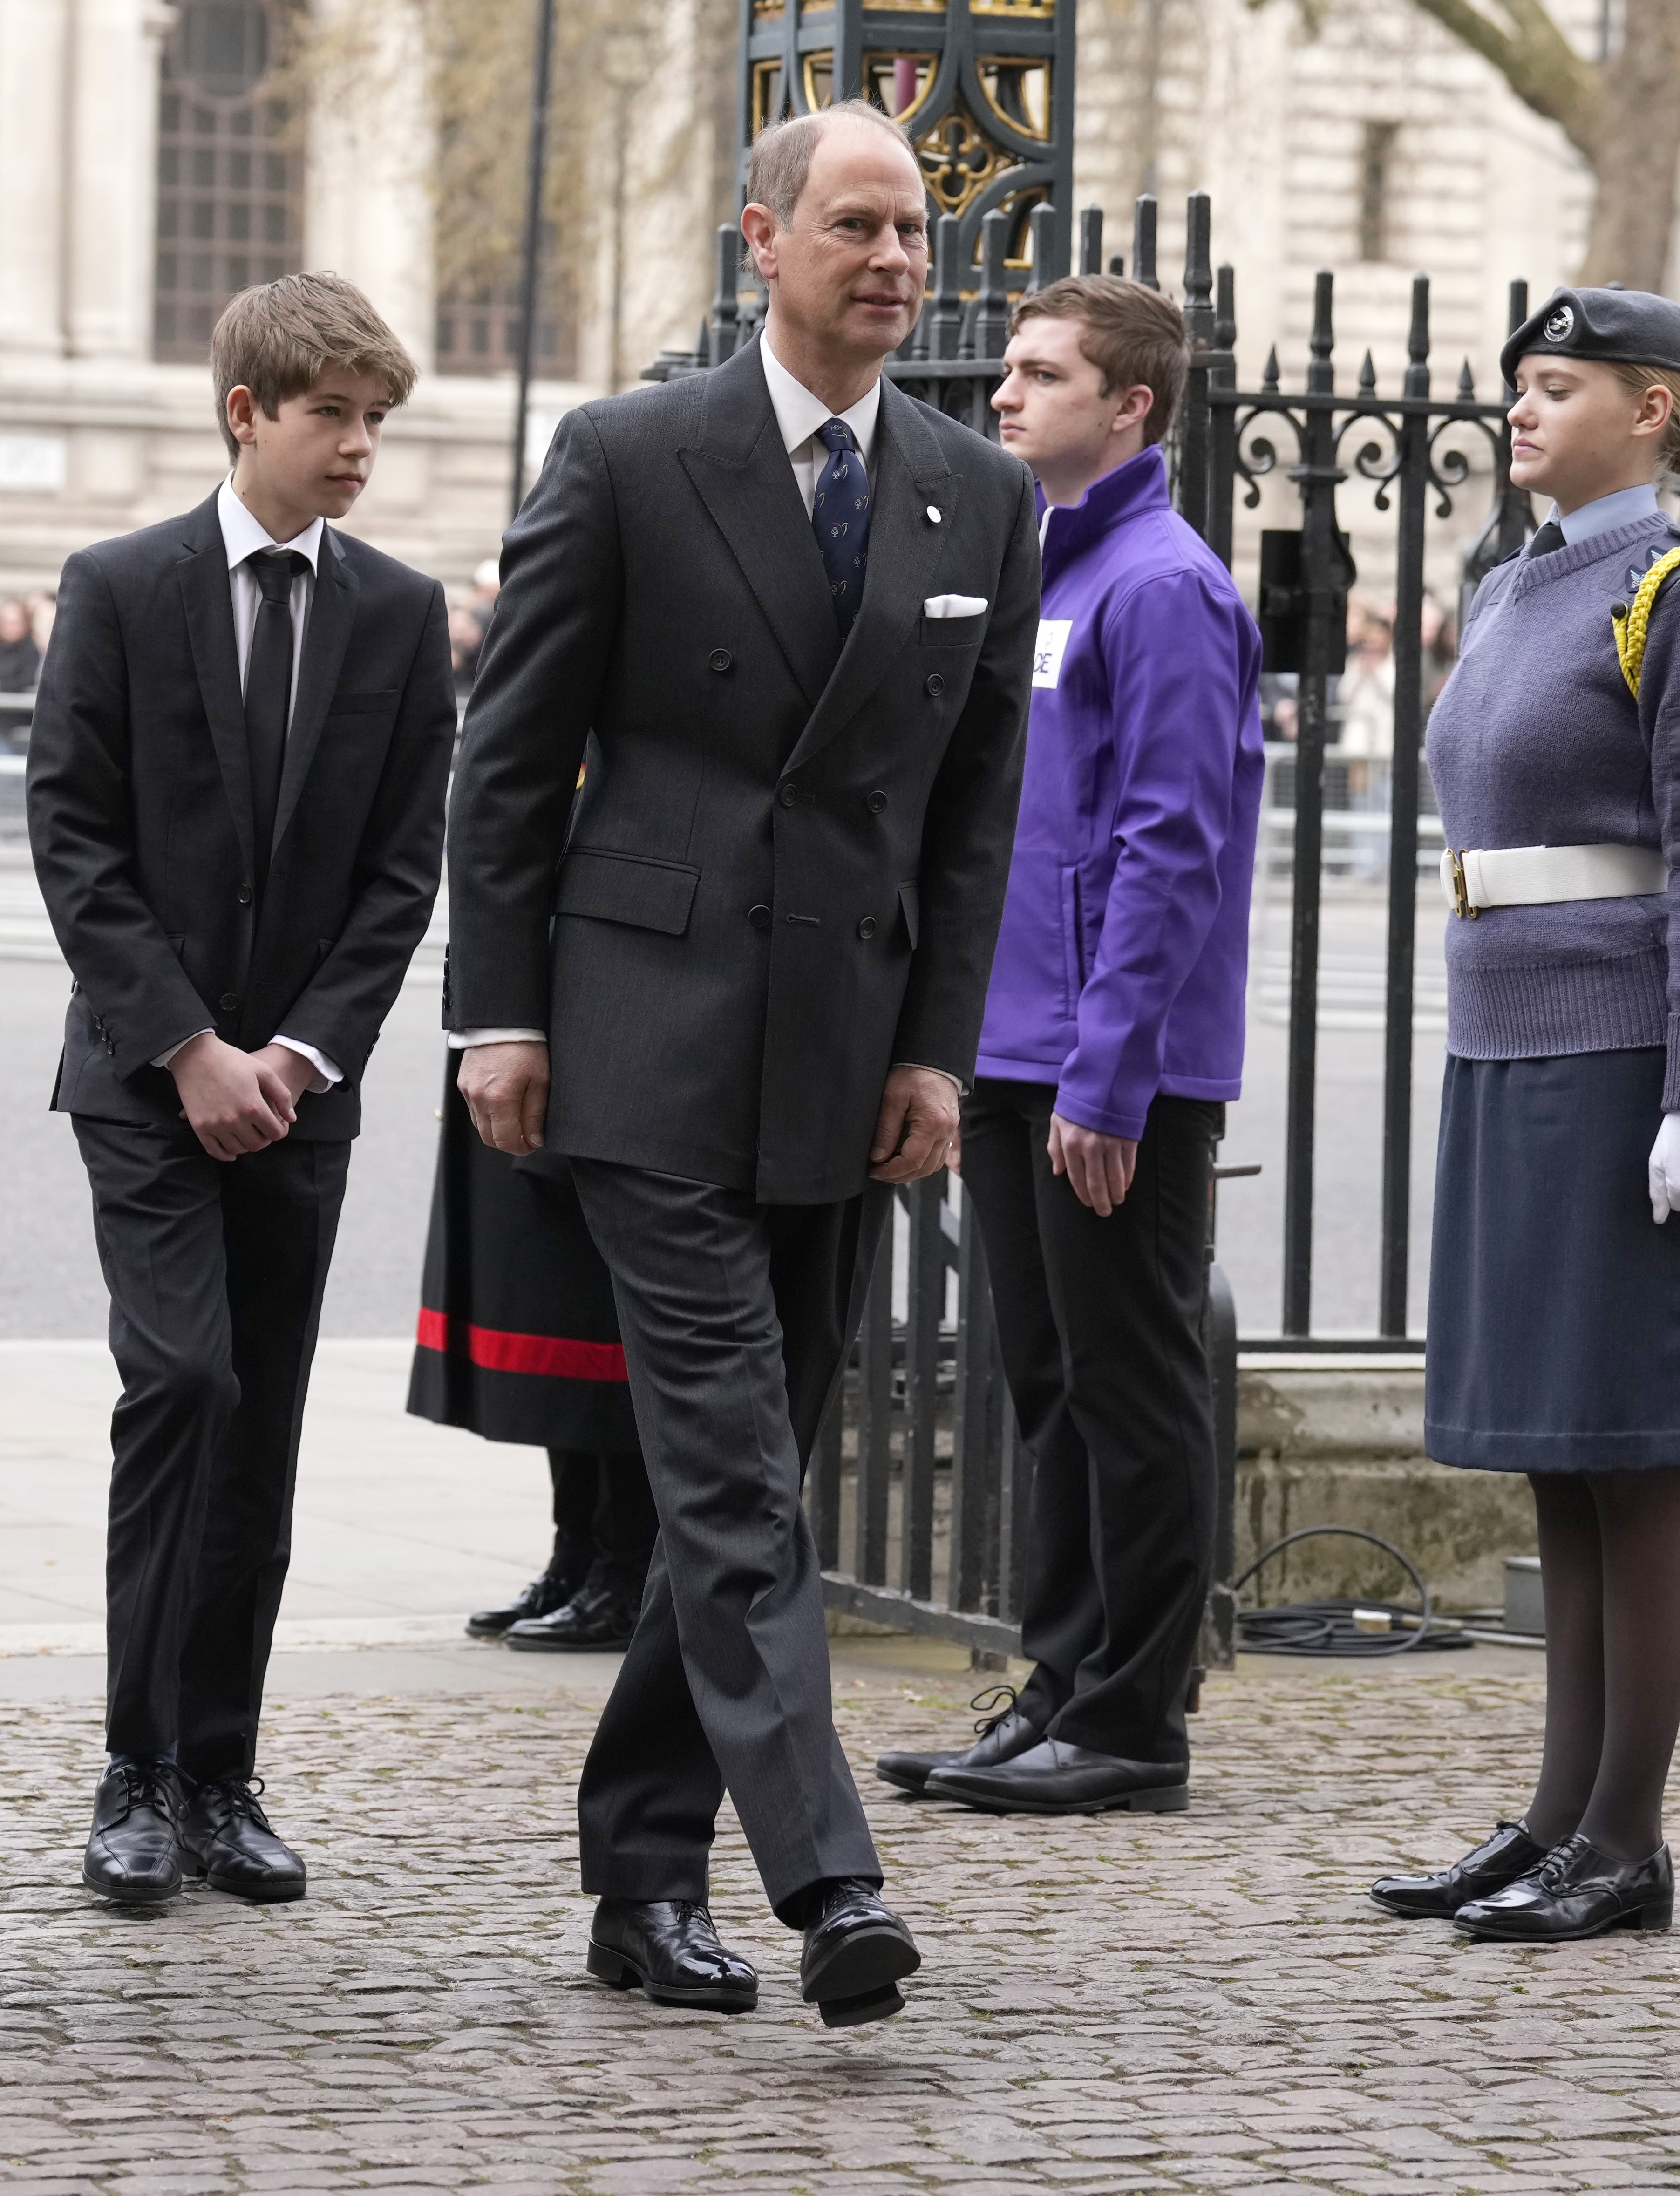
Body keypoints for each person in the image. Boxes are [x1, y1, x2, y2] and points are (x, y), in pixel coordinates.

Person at [447, 97, 1038, 2029]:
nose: (891, 261)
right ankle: (826, 1873)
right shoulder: (626, 453)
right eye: (855, 225)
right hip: (647, 1036)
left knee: (746, 1482)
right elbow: (510, 760)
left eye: (917, 237)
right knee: (731, 1475)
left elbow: (974, 816)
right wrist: (501, 1009)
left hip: (843, 1054)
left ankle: (635, 1871)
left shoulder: (975, 493)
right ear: (758, 240)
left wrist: (937, 1050)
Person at [26, 272, 451, 1911]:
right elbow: (77, 836)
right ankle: (133, 1766)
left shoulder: (400, 615)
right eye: (330, 415)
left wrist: (301, 1052)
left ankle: (222, 1771)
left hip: (301, 1090)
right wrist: (190, 1046)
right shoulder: (120, 586)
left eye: (373, 420)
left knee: (260, 1426)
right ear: (245, 415)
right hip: (147, 1079)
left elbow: (400, 872)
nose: (357, 447)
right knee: (183, 1385)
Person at [1370, 287, 1680, 1944]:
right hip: (1505, 1041)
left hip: (1614, 1056)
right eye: (1516, 387)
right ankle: (1552, 1813)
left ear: (1655, 411)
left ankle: (1625, 1833)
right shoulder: (1515, 578)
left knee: (1629, 1445)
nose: (1519, 410)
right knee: (1549, 1446)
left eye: (1558, 386)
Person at [877, 274, 1263, 1817]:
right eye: (1009, 371)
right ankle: (1058, 1678)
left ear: (1130, 407)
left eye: (1043, 374)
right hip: (1013, 1050)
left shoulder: (1163, 588)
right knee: (1042, 1378)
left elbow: (1172, 846)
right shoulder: (1040, 573)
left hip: (1118, 1073)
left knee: (1128, 1382)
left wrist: (1108, 1072)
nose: (1003, 397)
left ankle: (1132, 1720)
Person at [415, 1032, 658, 1654]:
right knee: (556, 1323)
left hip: (597, 1050)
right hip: (524, 1042)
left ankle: (625, 1573)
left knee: (602, 1327)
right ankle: (575, 1557)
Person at [0, 594, 45, 695]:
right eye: (6, 623)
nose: (10, 628)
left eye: (15, 623)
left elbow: (28, 679)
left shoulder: (31, 650)